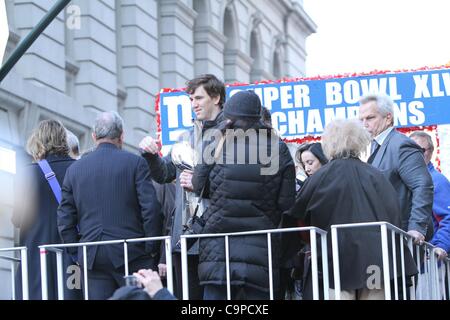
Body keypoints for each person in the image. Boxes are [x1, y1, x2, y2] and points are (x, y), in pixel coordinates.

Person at [287, 119, 417, 300]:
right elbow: (394, 214)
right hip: (377, 260)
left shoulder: (321, 177)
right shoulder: (377, 175)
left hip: (338, 260)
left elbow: (297, 214)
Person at [192, 90, 296, 300]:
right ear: (257, 116)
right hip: (261, 248)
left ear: (229, 114)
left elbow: (197, 185)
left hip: (218, 250)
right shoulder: (278, 147)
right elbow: (287, 203)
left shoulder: (215, 142)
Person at [57, 111, 162, 300]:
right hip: (132, 252)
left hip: (93, 256)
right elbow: (150, 208)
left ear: (94, 136)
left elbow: (65, 217)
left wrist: (76, 252)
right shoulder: (135, 163)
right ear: (122, 136)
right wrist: (150, 246)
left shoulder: (75, 170)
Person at [139, 74, 226, 299]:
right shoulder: (185, 137)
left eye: (199, 98)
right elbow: (165, 174)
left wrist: (199, 183)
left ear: (216, 98)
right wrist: (151, 156)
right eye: (191, 100)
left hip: (217, 237)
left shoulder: (231, 135)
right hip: (184, 238)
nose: (194, 104)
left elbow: (234, 183)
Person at [12, 119, 80, 300]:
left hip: (35, 256)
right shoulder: (78, 170)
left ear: (38, 140)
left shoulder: (29, 172)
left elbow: (17, 219)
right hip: (71, 257)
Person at [359, 93, 434, 244]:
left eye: (370, 118)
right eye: (361, 119)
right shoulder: (376, 145)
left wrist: (416, 228)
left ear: (388, 118)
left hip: (404, 238)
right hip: (388, 237)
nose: (364, 124)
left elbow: (423, 185)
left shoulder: (401, 145)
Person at [410, 131, 450, 258]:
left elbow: (447, 218)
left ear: (431, 152)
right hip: (414, 259)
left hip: (431, 262)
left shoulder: (437, 181)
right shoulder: (406, 179)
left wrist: (439, 246)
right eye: (410, 150)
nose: (415, 155)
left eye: (421, 150)